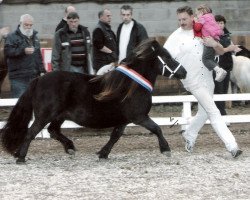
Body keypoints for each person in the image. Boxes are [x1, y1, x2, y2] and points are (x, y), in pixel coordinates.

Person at [163, 6, 242, 158]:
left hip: (207, 77)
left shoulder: (204, 29)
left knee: (204, 111)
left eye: (184, 19)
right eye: (179, 19)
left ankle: (189, 134)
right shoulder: (175, 37)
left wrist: (214, 44)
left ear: (193, 17)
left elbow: (219, 51)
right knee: (213, 110)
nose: (181, 22)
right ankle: (232, 146)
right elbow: (165, 58)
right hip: (191, 79)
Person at [4, 14, 46, 98]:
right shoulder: (11, 37)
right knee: (19, 102)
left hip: (34, 76)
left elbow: (38, 56)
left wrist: (42, 71)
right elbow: (8, 52)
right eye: (26, 25)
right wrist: (23, 51)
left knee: (33, 103)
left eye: (30, 25)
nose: (28, 27)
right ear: (20, 23)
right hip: (18, 77)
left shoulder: (35, 37)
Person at [193, 4, 227, 82]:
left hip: (208, 40)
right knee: (210, 58)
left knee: (205, 59)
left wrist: (195, 21)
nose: (196, 15)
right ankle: (219, 70)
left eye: (197, 14)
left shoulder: (202, 18)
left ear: (201, 12)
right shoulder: (211, 17)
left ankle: (219, 70)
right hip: (215, 38)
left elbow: (197, 28)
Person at [213, 15, 234, 117]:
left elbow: (230, 49)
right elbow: (221, 48)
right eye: (218, 23)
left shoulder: (227, 34)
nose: (220, 25)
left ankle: (221, 112)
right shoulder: (213, 35)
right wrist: (229, 47)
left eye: (221, 23)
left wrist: (232, 48)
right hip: (218, 67)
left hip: (227, 66)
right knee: (219, 91)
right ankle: (222, 114)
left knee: (224, 91)